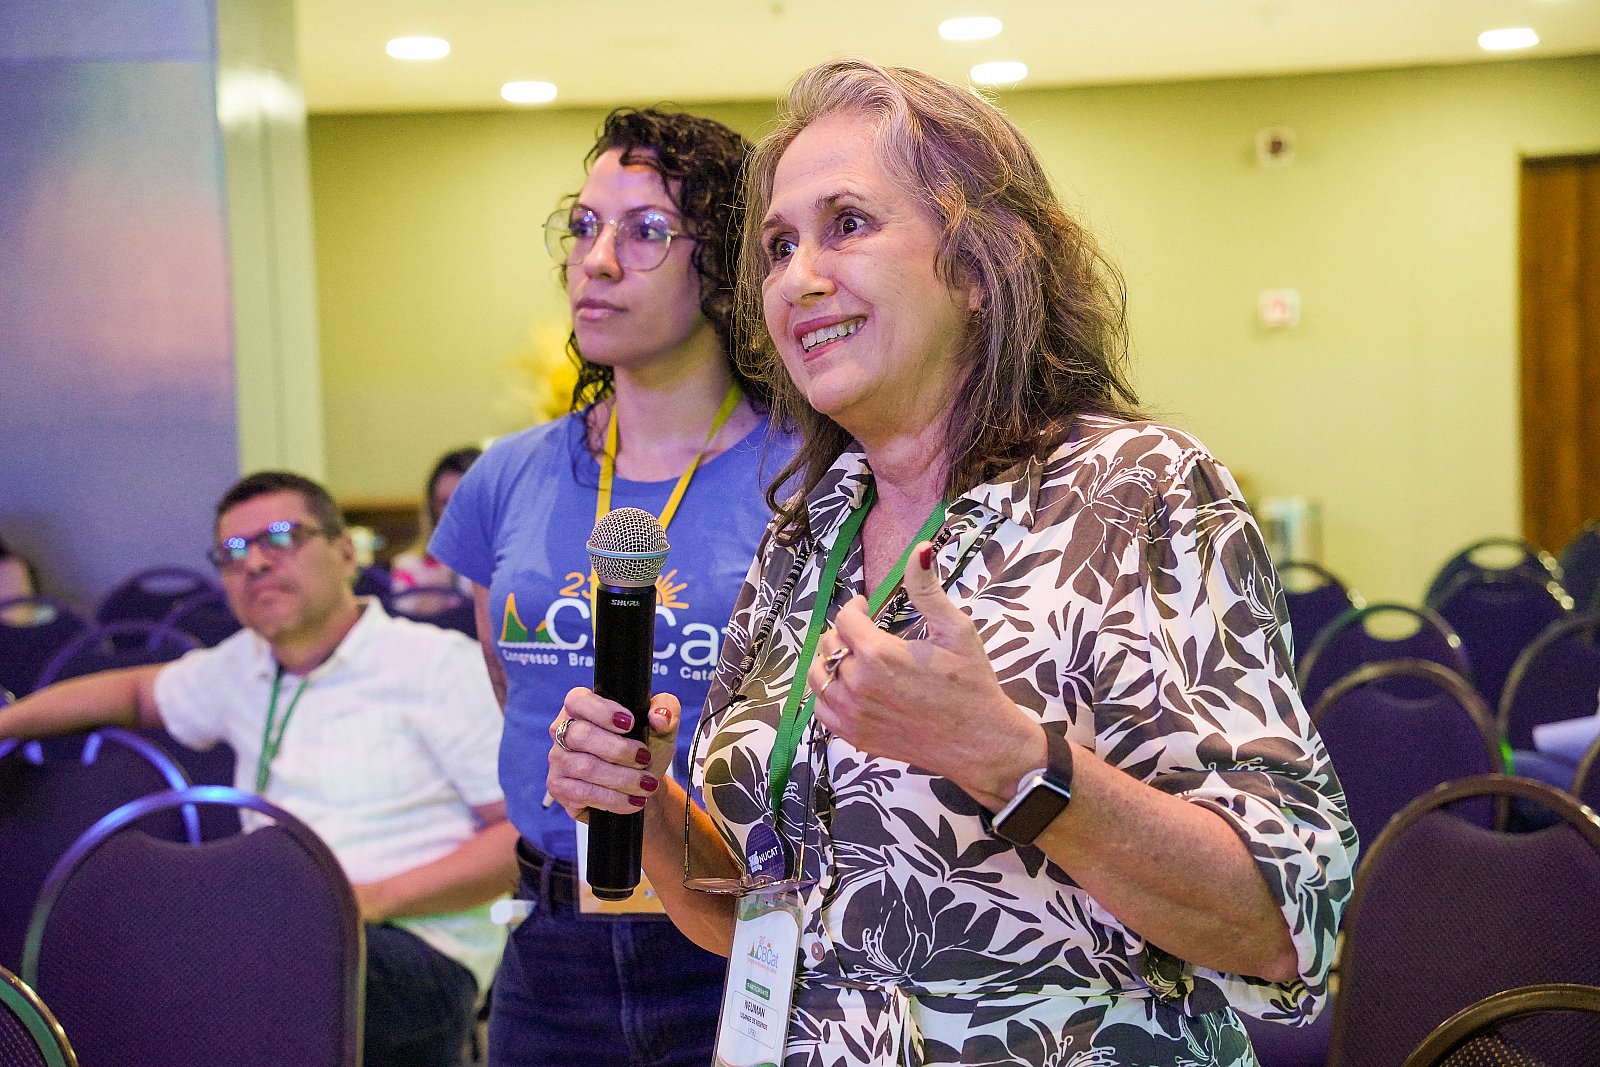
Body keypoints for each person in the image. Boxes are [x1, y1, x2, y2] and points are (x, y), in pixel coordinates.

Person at [546, 60, 1357, 1067]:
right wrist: (647, 803)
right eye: (779, 245)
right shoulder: (805, 533)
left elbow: (1286, 921)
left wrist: (1007, 756)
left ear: (977, 266)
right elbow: (768, 922)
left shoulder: (1138, 490)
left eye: (847, 223)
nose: (799, 277)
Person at [429, 108, 793, 1067]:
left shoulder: (805, 475)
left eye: (646, 231)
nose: (596, 260)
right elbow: (515, 685)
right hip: (551, 937)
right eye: (584, 226)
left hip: (734, 935)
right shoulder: (507, 476)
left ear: (725, 268)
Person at [1, 471, 516, 1067]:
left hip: (415, 946)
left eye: (282, 537)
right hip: (278, 930)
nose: (255, 563)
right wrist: (9, 722)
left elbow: (514, 839)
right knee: (123, 951)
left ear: (345, 552)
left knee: (225, 980)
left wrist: (359, 902)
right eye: (233, 551)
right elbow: (135, 693)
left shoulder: (435, 666)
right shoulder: (242, 666)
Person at [391, 446, 483, 596]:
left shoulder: (513, 567)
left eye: (465, 501)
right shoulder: (410, 568)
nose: (454, 513)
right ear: (432, 508)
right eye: (445, 502)